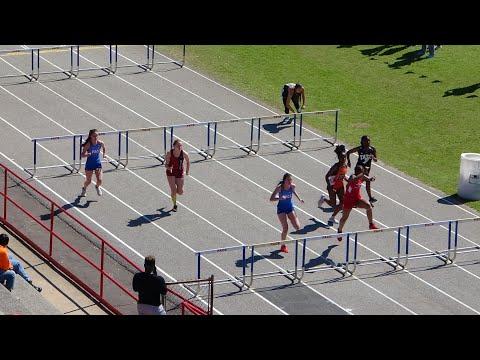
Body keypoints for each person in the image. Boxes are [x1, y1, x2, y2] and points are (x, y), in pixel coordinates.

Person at [337, 165, 379, 241]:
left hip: (357, 199)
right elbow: (354, 179)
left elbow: (368, 179)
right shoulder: (352, 176)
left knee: (368, 206)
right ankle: (339, 231)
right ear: (357, 172)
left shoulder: (362, 177)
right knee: (344, 218)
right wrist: (363, 173)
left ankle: (371, 224)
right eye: (361, 171)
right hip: (348, 200)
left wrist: (372, 179)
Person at [270, 173, 305, 253]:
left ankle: (292, 218)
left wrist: (300, 199)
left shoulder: (292, 186)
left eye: (291, 180)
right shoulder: (280, 188)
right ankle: (283, 246)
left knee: (297, 227)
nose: (290, 181)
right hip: (281, 209)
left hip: (289, 208)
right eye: (288, 180)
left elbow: (294, 191)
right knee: (285, 228)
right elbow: (271, 198)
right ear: (284, 180)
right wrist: (279, 198)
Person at [318, 145, 348, 225]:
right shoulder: (336, 166)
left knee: (343, 202)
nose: (344, 159)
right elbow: (327, 176)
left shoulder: (345, 165)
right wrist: (330, 187)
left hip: (340, 185)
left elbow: (342, 175)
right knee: (333, 204)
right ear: (339, 158)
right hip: (332, 186)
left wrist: (347, 180)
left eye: (345, 157)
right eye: (342, 158)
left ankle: (332, 218)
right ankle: (324, 199)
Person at [346, 135, 378, 205]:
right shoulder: (360, 148)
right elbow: (348, 152)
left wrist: (373, 157)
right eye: (366, 141)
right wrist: (348, 161)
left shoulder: (372, 149)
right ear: (362, 142)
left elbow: (376, 160)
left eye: (369, 140)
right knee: (357, 184)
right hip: (359, 169)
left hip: (366, 169)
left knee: (367, 183)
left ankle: (370, 198)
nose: (368, 142)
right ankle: (352, 197)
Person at [165, 139, 190, 212]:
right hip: (171, 172)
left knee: (180, 192)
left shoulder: (184, 154)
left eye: (181, 145)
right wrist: (169, 167)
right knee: (173, 190)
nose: (180, 147)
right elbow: (166, 164)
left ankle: (178, 191)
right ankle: (175, 205)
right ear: (174, 146)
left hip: (179, 172)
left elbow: (188, 162)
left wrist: (187, 171)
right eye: (178, 145)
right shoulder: (169, 153)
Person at [80, 129, 106, 197]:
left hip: (97, 163)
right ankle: (84, 188)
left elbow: (104, 148)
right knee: (88, 181)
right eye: (94, 136)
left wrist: (104, 155)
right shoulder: (88, 144)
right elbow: (82, 155)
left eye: (97, 135)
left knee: (100, 180)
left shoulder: (100, 143)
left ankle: (97, 187)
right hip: (89, 164)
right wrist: (87, 155)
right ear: (91, 136)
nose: (96, 137)